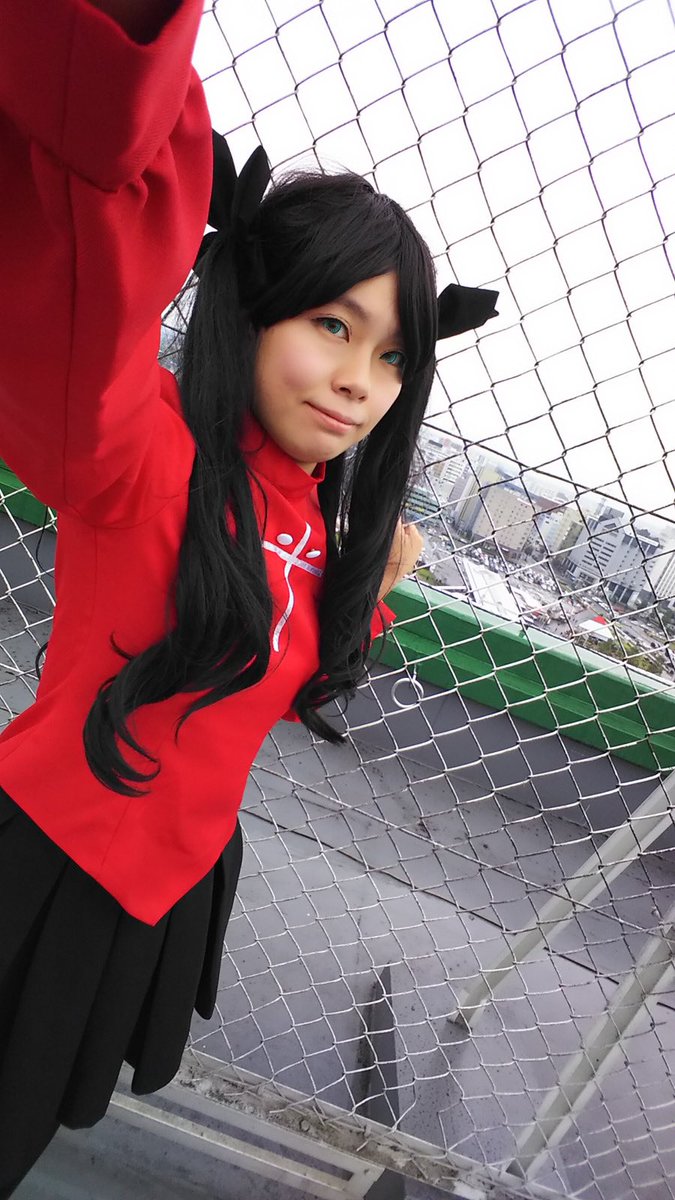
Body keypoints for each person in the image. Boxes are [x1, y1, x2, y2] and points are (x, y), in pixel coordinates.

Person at [0, 0, 497, 1192]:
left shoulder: (325, 529)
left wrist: (366, 591)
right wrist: (117, 66)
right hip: (45, 862)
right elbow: (81, 265)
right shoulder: (146, 450)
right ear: (252, 307)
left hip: (167, 887)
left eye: (392, 354)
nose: (359, 381)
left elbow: (260, 671)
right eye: (332, 324)